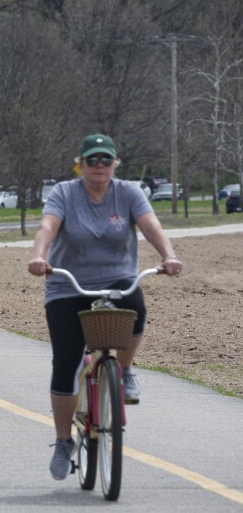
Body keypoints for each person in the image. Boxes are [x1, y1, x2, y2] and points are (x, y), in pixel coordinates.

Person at [27, 133, 183, 481]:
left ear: (115, 164)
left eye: (106, 160)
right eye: (92, 160)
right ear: (80, 164)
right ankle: (64, 440)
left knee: (136, 307)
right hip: (68, 283)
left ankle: (123, 371)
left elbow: (150, 225)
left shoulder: (127, 191)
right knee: (66, 361)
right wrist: (38, 256)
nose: (99, 166)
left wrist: (168, 255)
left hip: (116, 278)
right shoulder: (65, 193)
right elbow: (47, 226)